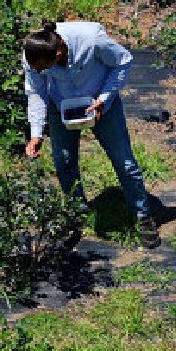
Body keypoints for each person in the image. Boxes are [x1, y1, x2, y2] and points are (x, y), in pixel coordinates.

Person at [22, 20, 160, 249]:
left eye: (46, 69)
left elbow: (123, 61)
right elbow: (36, 91)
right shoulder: (33, 54)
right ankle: (75, 215)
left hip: (101, 103)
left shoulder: (92, 40)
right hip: (62, 105)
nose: (41, 72)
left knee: (124, 162)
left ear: (59, 53)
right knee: (64, 161)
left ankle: (142, 216)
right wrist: (36, 133)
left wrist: (103, 99)